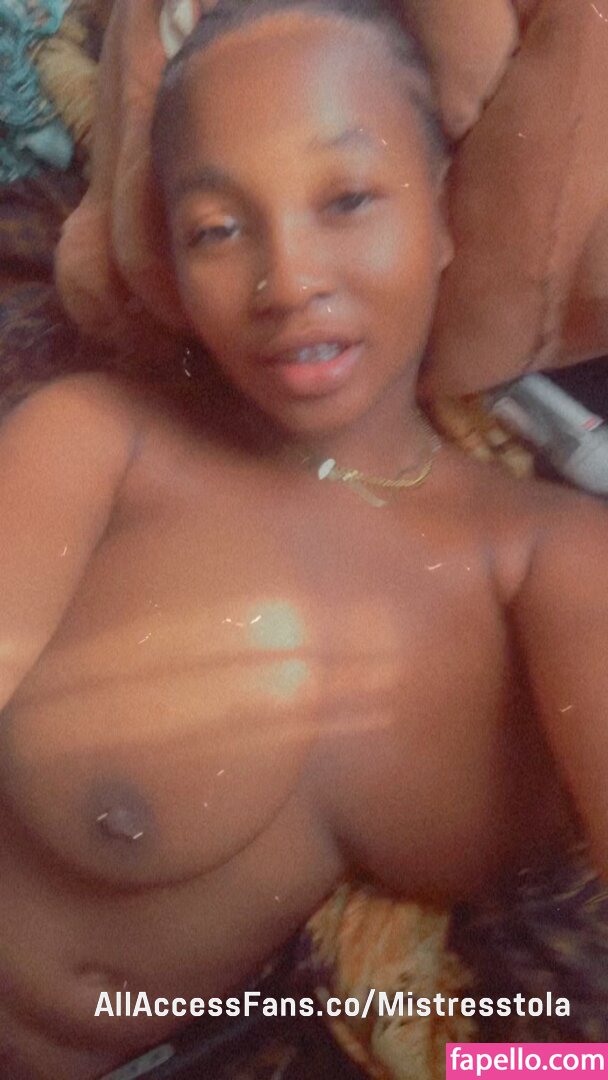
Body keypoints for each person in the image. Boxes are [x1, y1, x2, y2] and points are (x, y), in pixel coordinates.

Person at [0, 0, 606, 1075]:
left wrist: (483, 1066)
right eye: (217, 228)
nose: (287, 283)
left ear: (443, 215)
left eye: (347, 199)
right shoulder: (102, 447)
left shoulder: (554, 562)